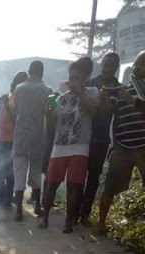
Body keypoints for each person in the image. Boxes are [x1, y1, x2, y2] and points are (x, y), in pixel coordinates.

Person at [40, 59, 99, 232]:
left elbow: (93, 112)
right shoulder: (60, 98)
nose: (73, 81)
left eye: (77, 78)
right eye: (71, 77)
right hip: (60, 146)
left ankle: (68, 222)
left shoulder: (92, 92)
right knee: (52, 183)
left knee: (74, 185)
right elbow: (51, 128)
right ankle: (45, 218)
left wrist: (80, 93)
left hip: (80, 146)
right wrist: (48, 114)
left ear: (85, 78)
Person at [98, 50, 145, 235]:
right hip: (124, 148)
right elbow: (114, 118)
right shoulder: (121, 91)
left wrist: (132, 100)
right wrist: (115, 144)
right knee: (110, 186)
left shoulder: (132, 95)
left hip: (143, 148)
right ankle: (101, 223)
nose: (139, 67)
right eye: (138, 63)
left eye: (143, 64)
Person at [79, 52, 121, 225]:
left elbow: (118, 117)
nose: (108, 68)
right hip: (84, 136)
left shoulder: (119, 90)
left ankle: (85, 215)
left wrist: (115, 142)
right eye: (106, 64)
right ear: (101, 64)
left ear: (117, 68)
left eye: (112, 65)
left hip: (102, 139)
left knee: (94, 178)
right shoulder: (90, 84)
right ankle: (73, 212)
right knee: (79, 175)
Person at [12, 60, 50, 220]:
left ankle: (19, 211)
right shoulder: (48, 90)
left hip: (20, 137)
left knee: (19, 173)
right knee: (35, 173)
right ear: (42, 72)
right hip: (37, 138)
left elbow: (17, 110)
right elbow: (52, 110)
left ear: (29, 71)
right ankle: (37, 207)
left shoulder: (18, 89)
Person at [0, 71, 28, 208]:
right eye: (17, 81)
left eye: (22, 81)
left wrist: (6, 105)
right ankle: (1, 199)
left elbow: (16, 121)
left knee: (10, 174)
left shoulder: (22, 101)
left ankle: (7, 201)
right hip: (1, 140)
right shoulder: (6, 97)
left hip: (14, 141)